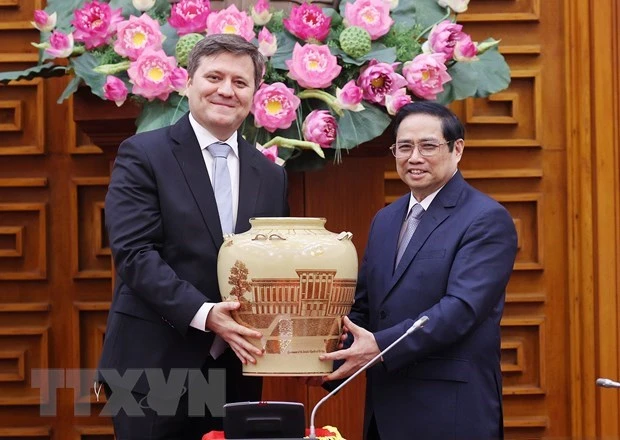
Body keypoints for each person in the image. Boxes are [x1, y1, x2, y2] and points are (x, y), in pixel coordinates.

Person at [97, 34, 289, 440]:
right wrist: (204, 313)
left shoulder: (271, 175)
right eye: (214, 77)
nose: (226, 90)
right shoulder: (143, 154)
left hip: (234, 369)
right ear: (188, 82)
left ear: (255, 94)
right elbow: (134, 254)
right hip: (152, 366)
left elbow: (275, 266)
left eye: (240, 82)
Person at [319, 101, 518, 440]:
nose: (414, 157)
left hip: (450, 412)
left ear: (457, 149)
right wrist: (327, 362)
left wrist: (380, 346)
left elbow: (461, 310)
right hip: (385, 411)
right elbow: (365, 308)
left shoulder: (485, 218)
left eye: (428, 146)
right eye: (404, 147)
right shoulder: (385, 219)